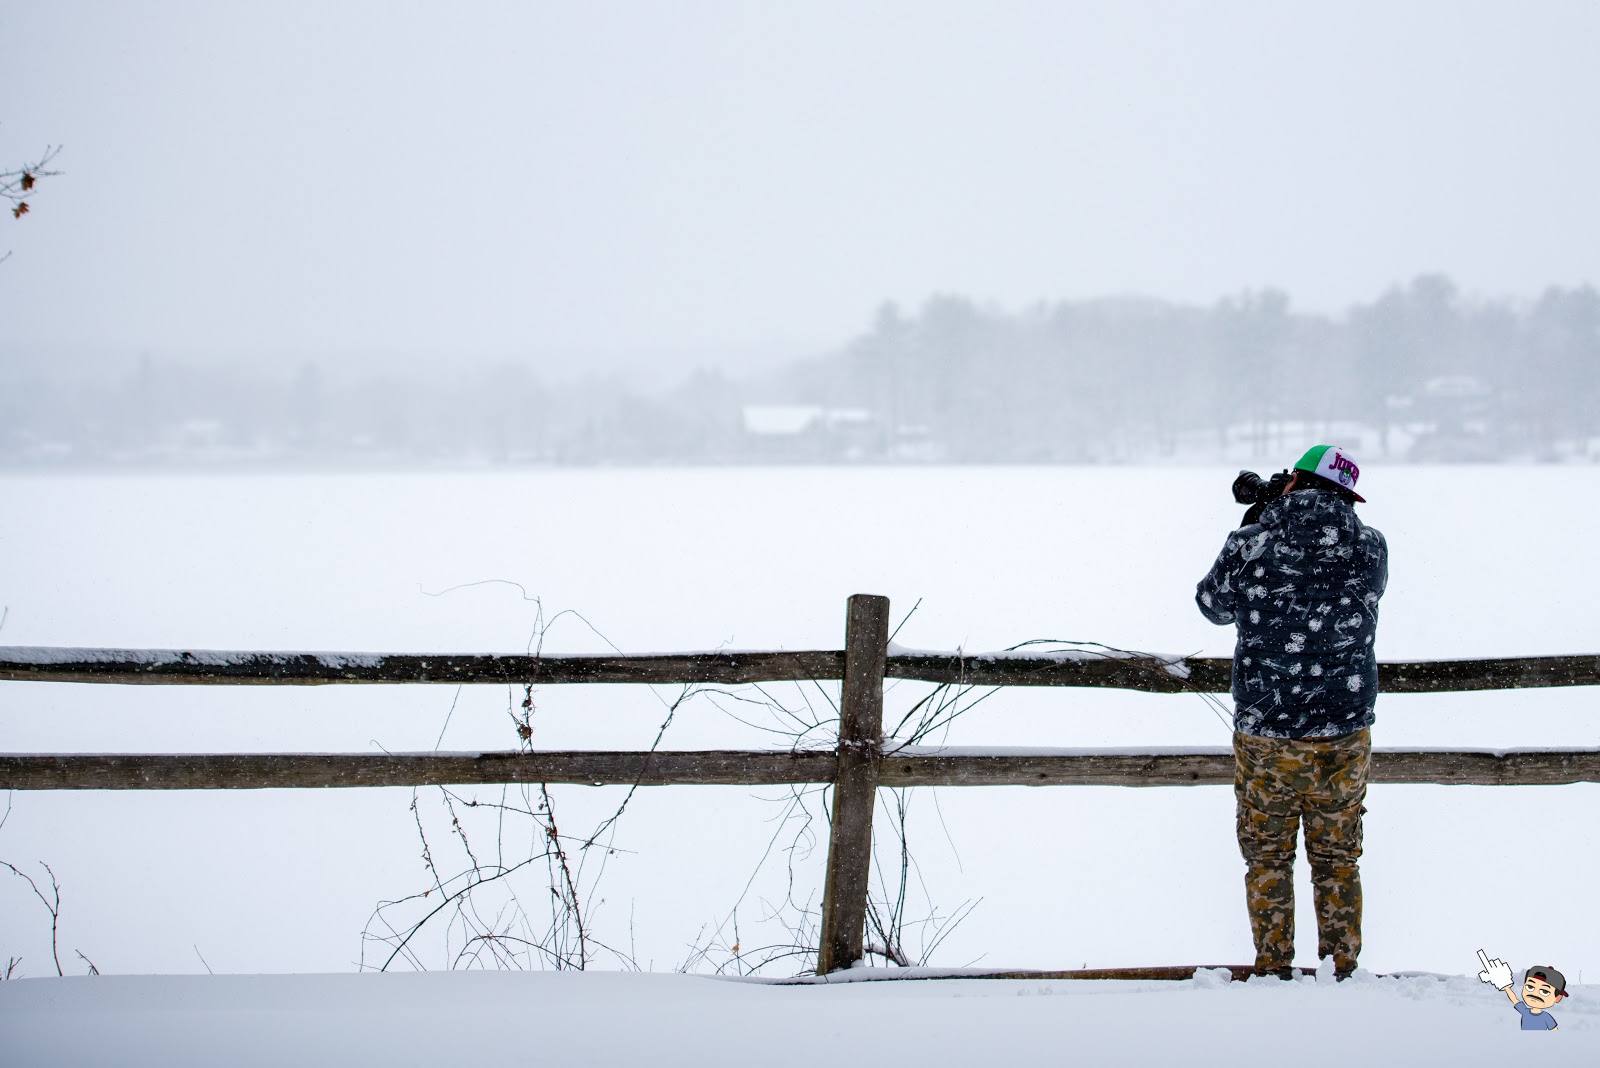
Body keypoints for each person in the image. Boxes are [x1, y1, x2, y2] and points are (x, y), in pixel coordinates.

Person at [1195, 444, 1388, 979]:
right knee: (1338, 858)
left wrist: (1259, 520)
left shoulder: (1252, 543)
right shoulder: (1370, 547)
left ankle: (1275, 968)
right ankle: (1342, 970)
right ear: (1348, 496)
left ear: (1293, 482)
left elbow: (1211, 606)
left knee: (1267, 857)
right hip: (1344, 729)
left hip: (1266, 728)